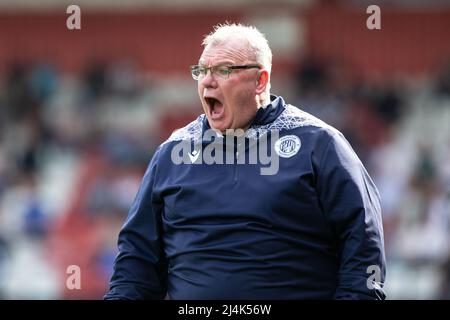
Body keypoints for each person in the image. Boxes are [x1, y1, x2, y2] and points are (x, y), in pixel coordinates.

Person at [104, 23, 386, 300]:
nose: (208, 81)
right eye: (202, 71)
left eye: (223, 70)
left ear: (260, 81)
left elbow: (363, 246)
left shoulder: (320, 144)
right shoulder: (172, 153)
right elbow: (136, 262)